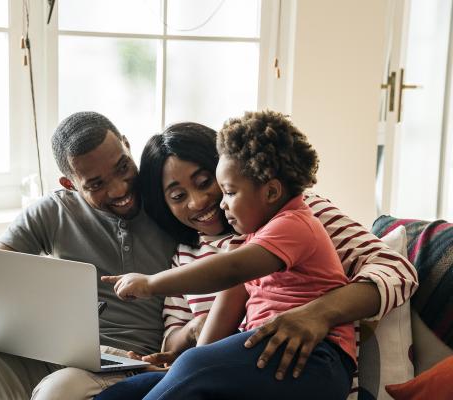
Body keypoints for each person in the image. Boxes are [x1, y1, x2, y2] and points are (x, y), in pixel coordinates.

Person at [98, 111, 418, 400]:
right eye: (179, 196)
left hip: (311, 364)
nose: (199, 202)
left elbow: (397, 271)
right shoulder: (193, 252)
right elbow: (206, 322)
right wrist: (187, 356)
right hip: (240, 371)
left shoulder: (299, 216)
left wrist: (319, 313)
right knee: (126, 391)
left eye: (209, 184)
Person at [0, 112, 178, 400]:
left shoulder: (171, 203)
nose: (119, 188)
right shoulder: (54, 211)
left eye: (122, 167)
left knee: (57, 390)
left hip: (123, 364)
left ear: (126, 144)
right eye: (96, 184)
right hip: (46, 355)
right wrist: (41, 314)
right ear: (70, 184)